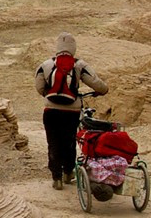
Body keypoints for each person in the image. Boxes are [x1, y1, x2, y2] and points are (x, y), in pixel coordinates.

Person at [34, 32, 108, 190]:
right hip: (72, 112)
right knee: (68, 142)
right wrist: (103, 90)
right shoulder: (79, 65)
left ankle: (56, 178)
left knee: (53, 143)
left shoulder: (46, 65)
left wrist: (49, 95)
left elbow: (39, 87)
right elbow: (96, 83)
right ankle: (68, 173)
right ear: (73, 48)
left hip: (51, 111)